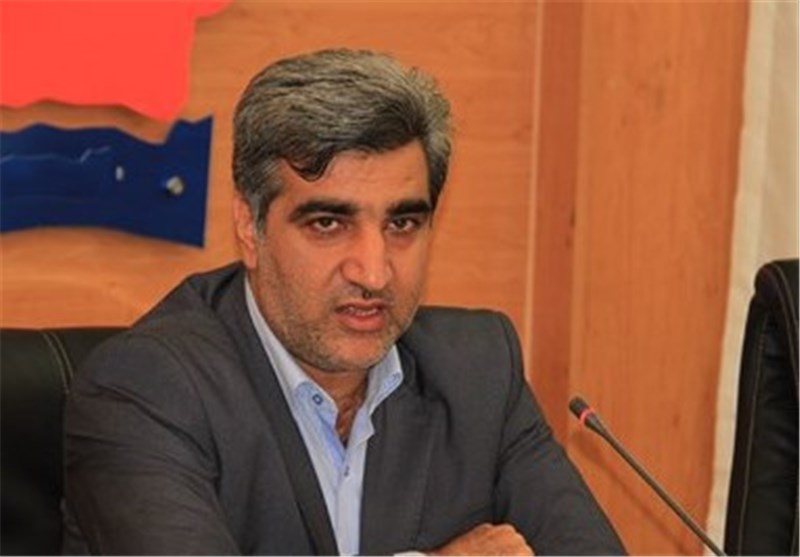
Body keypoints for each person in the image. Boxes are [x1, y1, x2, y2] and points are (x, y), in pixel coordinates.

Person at [63, 48, 625, 556]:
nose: (374, 273)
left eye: (402, 223)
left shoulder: (478, 373)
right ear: (250, 227)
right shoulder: (145, 390)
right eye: (329, 224)